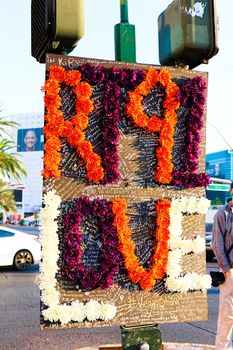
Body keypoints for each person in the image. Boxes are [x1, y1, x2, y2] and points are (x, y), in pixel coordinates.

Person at [212, 181, 233, 349]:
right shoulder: (222, 214)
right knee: (228, 316)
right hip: (230, 272)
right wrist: (226, 269)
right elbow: (217, 244)